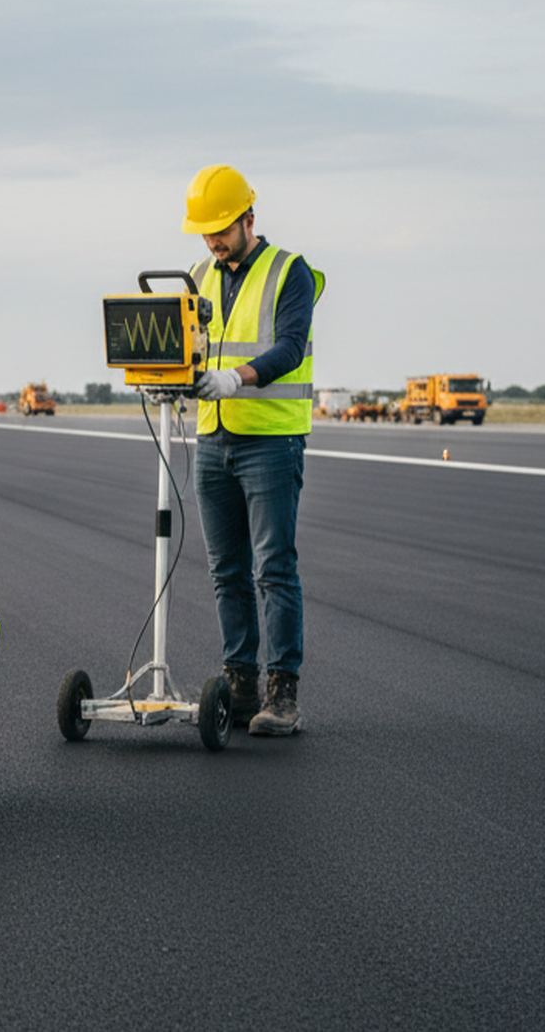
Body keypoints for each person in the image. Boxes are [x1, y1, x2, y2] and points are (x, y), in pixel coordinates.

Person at [183, 164, 325, 736]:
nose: (213, 242)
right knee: (227, 571)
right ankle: (239, 684)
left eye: (221, 229)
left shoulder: (290, 271)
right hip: (213, 437)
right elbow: (186, 346)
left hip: (270, 440)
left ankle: (282, 693)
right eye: (205, 232)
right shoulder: (198, 274)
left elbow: (289, 347)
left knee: (274, 568)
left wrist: (234, 378)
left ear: (249, 218)